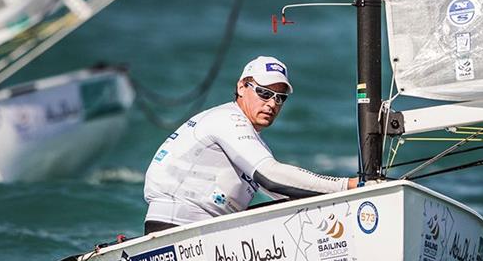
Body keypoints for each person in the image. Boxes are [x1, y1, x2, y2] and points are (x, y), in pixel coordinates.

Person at [143, 55, 358, 234]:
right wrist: (348, 185)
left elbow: (290, 192)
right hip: (175, 230)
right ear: (242, 87)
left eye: (280, 98)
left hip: (205, 233)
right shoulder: (227, 119)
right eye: (264, 93)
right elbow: (271, 177)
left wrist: (351, 199)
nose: (272, 103)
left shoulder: (252, 142)